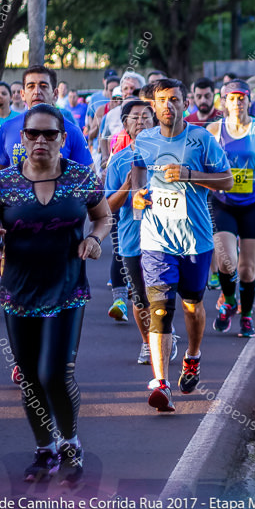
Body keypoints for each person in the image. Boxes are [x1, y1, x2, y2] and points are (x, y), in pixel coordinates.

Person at [0, 104, 111, 484]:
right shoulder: (2, 184)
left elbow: (103, 216)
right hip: (19, 293)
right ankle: (44, 449)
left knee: (54, 374)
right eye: (34, 133)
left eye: (50, 134)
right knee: (30, 377)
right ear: (23, 138)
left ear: (63, 140)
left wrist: (95, 239)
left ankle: (71, 443)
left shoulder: (81, 177)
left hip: (67, 290)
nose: (41, 141)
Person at [130, 79, 233, 412]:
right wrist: (137, 196)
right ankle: (161, 383)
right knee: (160, 309)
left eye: (174, 99)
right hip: (155, 238)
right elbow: (138, 172)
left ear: (184, 102)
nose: (167, 105)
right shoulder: (144, 139)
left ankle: (192, 355)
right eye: (161, 100)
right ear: (153, 105)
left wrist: (189, 175)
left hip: (195, 240)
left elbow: (227, 181)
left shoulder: (202, 139)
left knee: (192, 306)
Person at [207, 80, 255, 338]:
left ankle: (247, 315)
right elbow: (203, 164)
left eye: (242, 98)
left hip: (253, 204)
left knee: (247, 268)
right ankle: (228, 299)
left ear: (249, 101)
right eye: (232, 98)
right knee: (227, 263)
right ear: (224, 102)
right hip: (222, 203)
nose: (237, 103)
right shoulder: (214, 130)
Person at [104, 99, 172, 363]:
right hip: (132, 236)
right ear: (125, 125)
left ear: (154, 121)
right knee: (141, 296)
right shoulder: (119, 161)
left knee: (164, 292)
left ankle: (165, 333)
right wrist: (126, 187)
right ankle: (147, 342)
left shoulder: (167, 157)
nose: (141, 121)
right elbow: (108, 206)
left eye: (146, 116)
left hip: (166, 233)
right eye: (135, 118)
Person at [0, 66, 93, 173]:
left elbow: (89, 177)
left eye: (43, 86)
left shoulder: (72, 131)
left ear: (55, 94)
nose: (37, 92)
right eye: (31, 86)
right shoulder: (7, 129)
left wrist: (62, 168)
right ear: (23, 94)